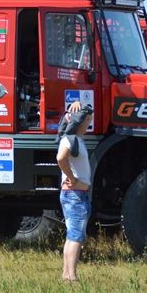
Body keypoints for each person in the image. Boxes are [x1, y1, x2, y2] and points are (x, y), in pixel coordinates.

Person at [57, 101, 93, 282]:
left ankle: (66, 274)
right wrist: (72, 178)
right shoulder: (70, 140)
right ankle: (71, 276)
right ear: (79, 121)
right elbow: (60, 158)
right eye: (87, 120)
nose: (89, 124)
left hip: (78, 195)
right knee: (75, 236)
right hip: (75, 195)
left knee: (73, 234)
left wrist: (77, 104)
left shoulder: (75, 139)